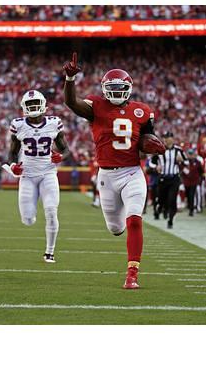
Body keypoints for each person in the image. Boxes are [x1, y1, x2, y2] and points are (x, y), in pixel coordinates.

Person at [63, 53, 165, 289]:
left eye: (121, 88)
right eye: (113, 88)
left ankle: (132, 274)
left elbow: (146, 139)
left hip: (132, 173)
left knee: (135, 222)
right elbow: (71, 103)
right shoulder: (96, 106)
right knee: (115, 228)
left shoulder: (142, 111)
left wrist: (152, 147)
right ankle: (120, 231)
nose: (117, 92)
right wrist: (69, 80)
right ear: (104, 89)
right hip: (107, 176)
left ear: (129, 88)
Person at [6, 90, 70, 263]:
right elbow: (12, 152)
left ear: (43, 106)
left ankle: (49, 252)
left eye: (36, 104)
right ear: (24, 108)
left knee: (51, 210)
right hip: (27, 175)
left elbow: (65, 149)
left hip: (48, 173)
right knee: (27, 219)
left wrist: (61, 157)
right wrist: (13, 165)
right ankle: (30, 215)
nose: (33, 108)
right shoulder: (18, 125)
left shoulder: (54, 123)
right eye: (30, 105)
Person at [155, 131, 188, 228]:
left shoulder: (179, 150)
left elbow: (187, 162)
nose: (165, 139)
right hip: (163, 178)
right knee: (161, 199)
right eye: (164, 137)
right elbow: (152, 162)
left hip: (174, 178)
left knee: (172, 199)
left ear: (172, 139)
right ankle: (163, 209)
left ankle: (170, 219)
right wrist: (157, 166)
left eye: (167, 137)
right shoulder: (159, 149)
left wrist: (181, 161)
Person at [182, 148, 204, 216]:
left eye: (192, 154)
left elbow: (201, 171)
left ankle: (191, 209)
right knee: (188, 195)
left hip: (194, 181)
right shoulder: (185, 162)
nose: (190, 156)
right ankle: (190, 206)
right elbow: (181, 169)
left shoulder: (197, 162)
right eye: (189, 154)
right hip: (186, 182)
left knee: (192, 195)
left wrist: (199, 178)